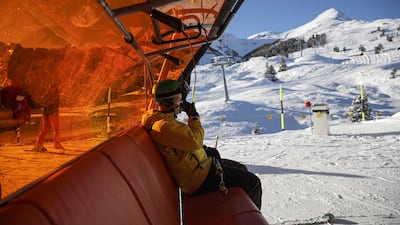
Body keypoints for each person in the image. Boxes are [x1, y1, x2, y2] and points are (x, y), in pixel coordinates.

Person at [141, 79, 262, 209]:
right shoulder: (163, 126)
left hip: (200, 169)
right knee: (253, 183)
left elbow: (186, 145)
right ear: (172, 102)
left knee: (241, 168)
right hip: (197, 179)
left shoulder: (163, 120)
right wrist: (194, 117)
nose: (181, 103)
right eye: (179, 99)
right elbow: (195, 141)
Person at [32, 83, 64, 152]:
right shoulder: (54, 95)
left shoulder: (47, 94)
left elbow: (41, 102)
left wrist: (45, 103)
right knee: (56, 128)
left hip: (46, 113)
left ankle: (39, 144)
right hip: (52, 112)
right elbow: (46, 102)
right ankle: (56, 143)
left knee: (45, 129)